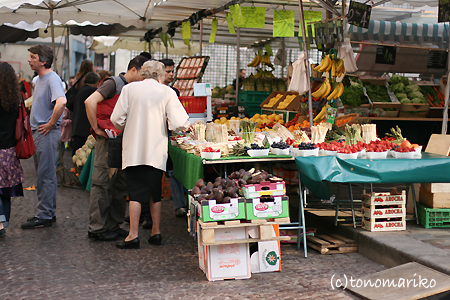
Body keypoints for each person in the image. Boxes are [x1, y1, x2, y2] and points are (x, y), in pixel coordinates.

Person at [111, 60, 191, 250]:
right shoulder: (167, 92)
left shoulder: (130, 90)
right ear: (160, 74)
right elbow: (180, 122)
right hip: (156, 150)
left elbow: (116, 118)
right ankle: (156, 232)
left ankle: (133, 235)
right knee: (155, 193)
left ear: (142, 73)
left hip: (134, 150)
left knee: (135, 193)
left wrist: (124, 125)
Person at [85, 55, 148, 241]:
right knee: (103, 183)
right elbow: (89, 102)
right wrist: (96, 128)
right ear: (133, 69)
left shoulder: (133, 88)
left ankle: (113, 225)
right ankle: (97, 228)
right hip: (109, 141)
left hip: (125, 142)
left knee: (120, 185)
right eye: (143, 75)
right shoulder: (113, 83)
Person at [21, 44, 66, 229]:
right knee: (43, 173)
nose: (29, 60)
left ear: (43, 61)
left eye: (33, 57)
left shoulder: (52, 79)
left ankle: (45, 215)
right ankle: (47, 212)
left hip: (45, 133)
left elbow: (61, 102)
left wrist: (50, 123)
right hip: (39, 133)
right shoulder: (39, 80)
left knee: (45, 174)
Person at [159, 58, 187, 218]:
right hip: (155, 136)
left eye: (172, 71)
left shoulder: (174, 92)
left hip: (169, 135)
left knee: (172, 170)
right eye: (168, 71)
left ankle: (180, 205)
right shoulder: (155, 91)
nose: (171, 74)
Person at [0, 62, 25, 238]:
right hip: (9, 149)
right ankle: (3, 222)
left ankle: (0, 223)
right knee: (5, 190)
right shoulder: (16, 98)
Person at [71, 72, 99, 155]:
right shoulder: (92, 91)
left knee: (77, 154)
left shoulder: (81, 90)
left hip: (77, 127)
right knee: (83, 154)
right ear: (96, 82)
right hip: (85, 129)